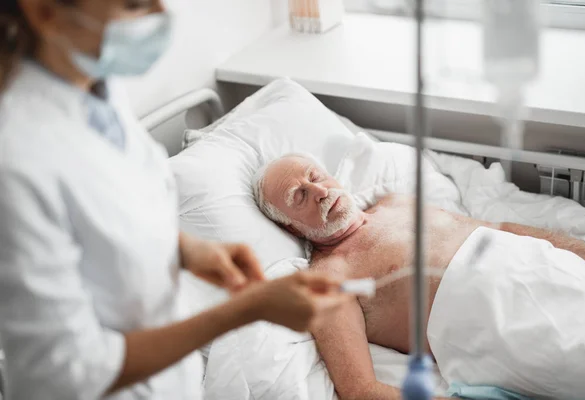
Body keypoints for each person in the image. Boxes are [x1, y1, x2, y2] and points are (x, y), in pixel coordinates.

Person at [0, 1, 351, 399]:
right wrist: (245, 311)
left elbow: (116, 209)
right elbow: (69, 370)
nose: (158, 15)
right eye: (134, 5)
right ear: (45, 11)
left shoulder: (94, 88)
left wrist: (188, 249)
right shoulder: (17, 163)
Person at [253, 153, 585, 400]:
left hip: (540, 265)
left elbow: (503, 228)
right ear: (290, 226)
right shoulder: (329, 279)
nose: (320, 192)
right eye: (300, 196)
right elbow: (362, 391)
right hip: (505, 324)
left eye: (315, 177)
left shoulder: (397, 203)